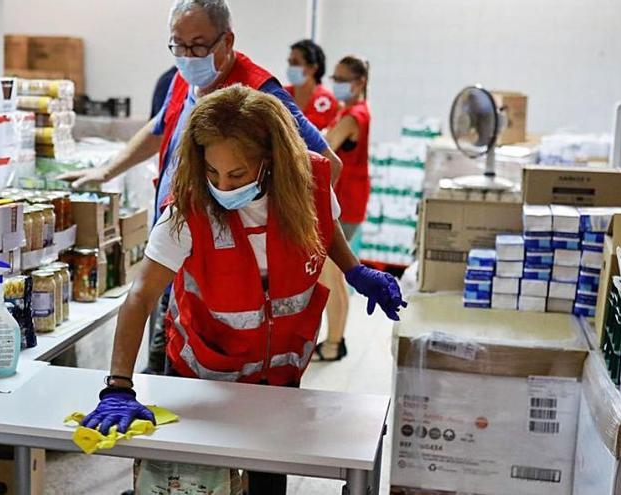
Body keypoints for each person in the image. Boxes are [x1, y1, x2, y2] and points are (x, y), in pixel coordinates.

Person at [79, 85, 404, 495]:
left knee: (268, 479)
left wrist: (354, 270)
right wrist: (118, 387)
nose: (224, 186)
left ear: (270, 160)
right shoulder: (188, 208)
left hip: (279, 379)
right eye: (213, 172)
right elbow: (141, 294)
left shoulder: (309, 183)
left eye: (237, 174)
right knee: (196, 484)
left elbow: (328, 221)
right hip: (202, 379)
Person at [58, 0, 344, 376]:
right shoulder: (185, 79)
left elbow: (325, 168)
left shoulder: (259, 96)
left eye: (198, 45)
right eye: (178, 45)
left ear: (227, 41)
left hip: (224, 264)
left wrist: (260, 225)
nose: (187, 56)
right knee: (169, 350)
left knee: (202, 351)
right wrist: (106, 171)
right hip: (180, 243)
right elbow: (158, 129)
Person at [314, 55, 373, 362]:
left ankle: (335, 343)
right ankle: (335, 340)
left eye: (341, 79)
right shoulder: (347, 111)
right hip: (345, 200)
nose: (335, 85)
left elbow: (324, 148)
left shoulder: (355, 116)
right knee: (331, 275)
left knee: (332, 276)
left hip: (346, 203)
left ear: (359, 82)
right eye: (333, 79)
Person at [284, 39, 338, 130]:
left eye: (296, 63)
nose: (291, 67)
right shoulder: (281, 94)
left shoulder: (330, 102)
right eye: (290, 62)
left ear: (313, 68)